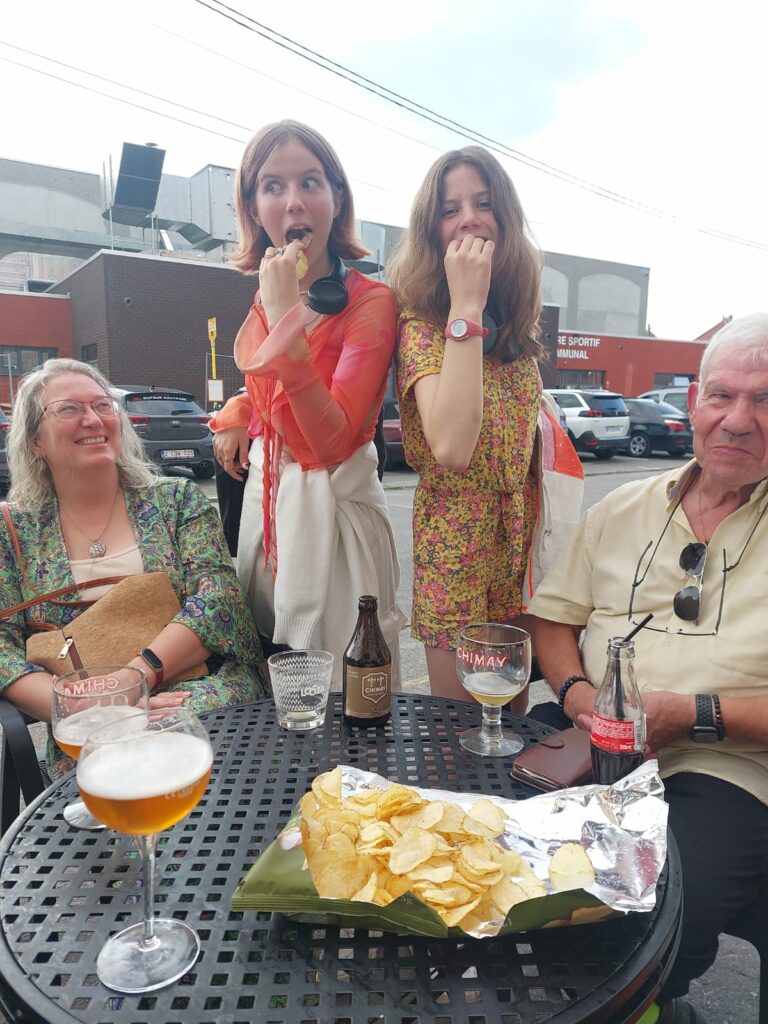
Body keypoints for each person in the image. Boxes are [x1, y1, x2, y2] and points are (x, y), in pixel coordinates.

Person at [528, 313, 768, 1024]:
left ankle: (647, 1009)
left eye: (765, 400)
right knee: (479, 846)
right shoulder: (624, 507)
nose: (738, 419)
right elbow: (552, 620)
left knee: (655, 917)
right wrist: (574, 697)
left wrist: (694, 713)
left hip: (720, 765)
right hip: (587, 740)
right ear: (694, 402)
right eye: (722, 395)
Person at [0, 359, 269, 777]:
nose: (93, 419)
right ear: (35, 439)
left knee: (177, 748)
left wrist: (135, 679)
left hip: (202, 691)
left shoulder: (177, 500)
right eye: (69, 409)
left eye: (104, 406)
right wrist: (74, 705)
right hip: (87, 717)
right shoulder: (12, 530)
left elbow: (220, 602)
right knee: (113, 767)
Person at [208, 120, 404, 684]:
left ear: (336, 198)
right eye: (273, 187)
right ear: (254, 207)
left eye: (310, 183)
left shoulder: (371, 303)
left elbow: (329, 441)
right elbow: (264, 388)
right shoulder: (271, 288)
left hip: (336, 525)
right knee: (275, 675)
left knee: (348, 686)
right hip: (271, 516)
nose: (294, 202)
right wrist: (241, 414)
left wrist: (283, 315)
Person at [388, 145, 544, 701]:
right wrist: (466, 307)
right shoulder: (425, 325)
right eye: (450, 209)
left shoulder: (517, 338)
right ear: (433, 232)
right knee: (457, 739)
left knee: (514, 726)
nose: (469, 218)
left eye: (483, 203)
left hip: (515, 551)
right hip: (455, 549)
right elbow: (452, 446)